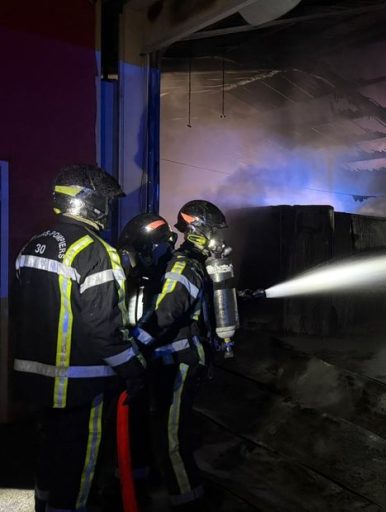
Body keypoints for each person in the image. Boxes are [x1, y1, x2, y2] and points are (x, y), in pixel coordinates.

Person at [13, 163, 146, 512]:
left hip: (35, 383)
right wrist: (133, 370)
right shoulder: (96, 252)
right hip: (80, 383)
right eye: (105, 200)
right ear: (89, 203)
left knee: (48, 455)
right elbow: (105, 329)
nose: (107, 207)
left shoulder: (33, 245)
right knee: (78, 466)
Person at [132, 200, 230, 511]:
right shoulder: (196, 262)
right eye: (212, 228)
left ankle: (188, 501)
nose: (217, 235)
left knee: (170, 439)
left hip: (179, 361)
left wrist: (136, 344)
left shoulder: (184, 264)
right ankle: (145, 487)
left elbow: (167, 311)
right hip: (185, 358)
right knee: (162, 430)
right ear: (198, 228)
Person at [116, 212, 178, 502]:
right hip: (136, 362)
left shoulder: (169, 279)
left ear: (152, 249)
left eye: (133, 253)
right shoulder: (133, 278)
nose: (130, 259)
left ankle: (154, 481)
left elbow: (163, 320)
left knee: (159, 427)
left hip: (161, 364)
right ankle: (132, 481)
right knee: (134, 425)